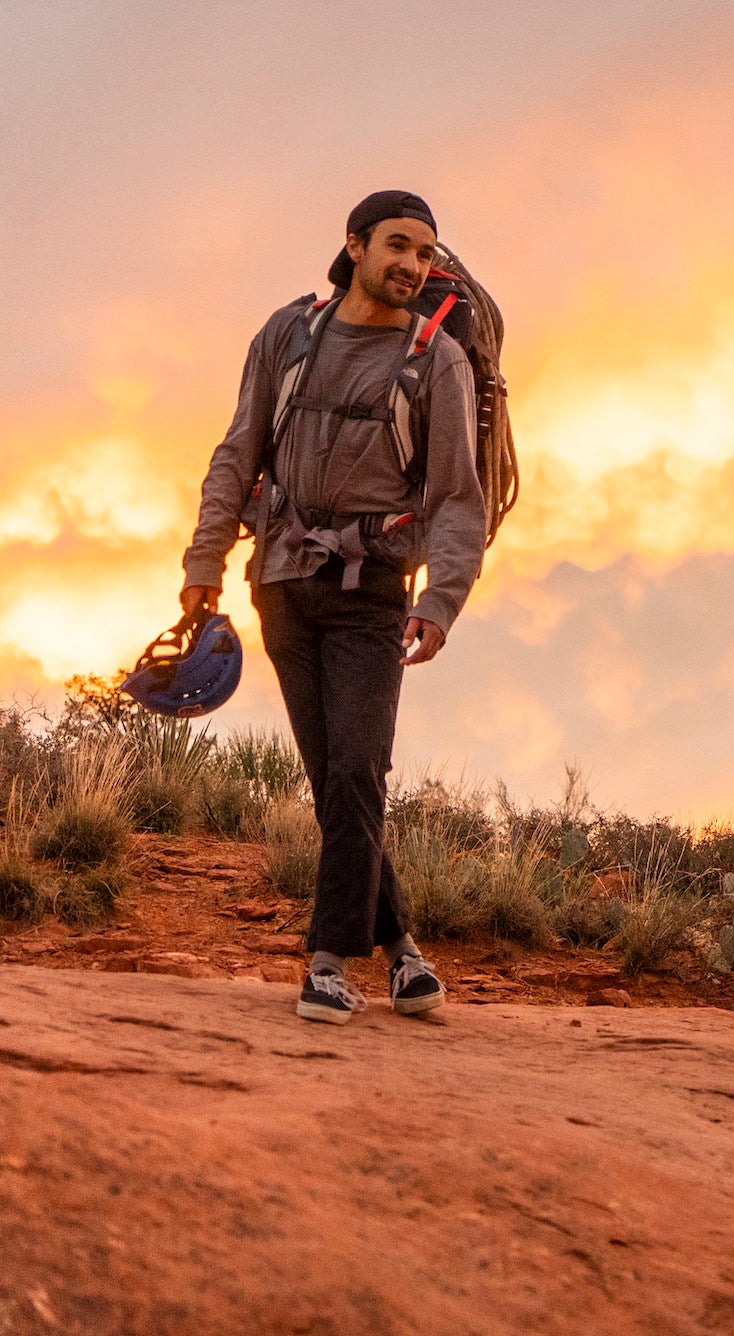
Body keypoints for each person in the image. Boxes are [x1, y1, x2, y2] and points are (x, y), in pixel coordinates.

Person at [180, 190, 485, 1025]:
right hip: (281, 582)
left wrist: (442, 600)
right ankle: (405, 955)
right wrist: (205, 560)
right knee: (333, 781)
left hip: (372, 596)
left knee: (357, 768)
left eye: (425, 254)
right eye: (397, 246)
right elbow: (239, 449)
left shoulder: (438, 362)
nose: (412, 266)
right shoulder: (288, 335)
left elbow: (458, 497)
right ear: (353, 246)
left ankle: (326, 960)